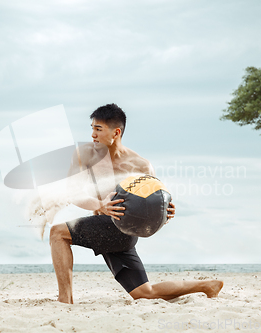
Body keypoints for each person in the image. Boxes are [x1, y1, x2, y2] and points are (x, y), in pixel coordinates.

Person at [49, 103, 223, 304]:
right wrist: (99, 205)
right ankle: (207, 286)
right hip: (106, 227)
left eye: (98, 129)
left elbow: (157, 202)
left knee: (57, 233)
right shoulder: (85, 155)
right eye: (92, 128)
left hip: (123, 230)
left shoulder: (141, 165)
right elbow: (70, 191)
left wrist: (166, 212)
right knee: (143, 292)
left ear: (116, 132)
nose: (92, 135)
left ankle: (65, 300)